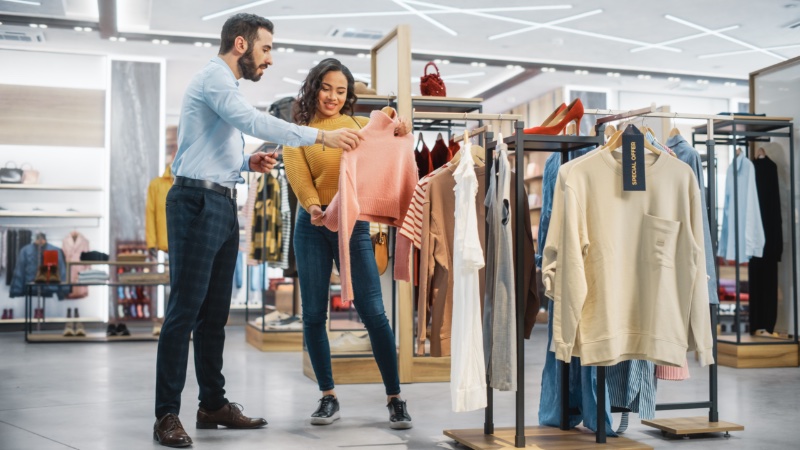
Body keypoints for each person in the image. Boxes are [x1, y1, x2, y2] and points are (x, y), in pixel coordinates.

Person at [153, 14, 364, 448]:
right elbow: (250, 121)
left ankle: (212, 404)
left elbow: (210, 145)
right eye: (266, 48)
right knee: (184, 312)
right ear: (241, 44)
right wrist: (320, 139)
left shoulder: (223, 84)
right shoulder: (215, 77)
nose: (269, 58)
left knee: (214, 315)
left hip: (221, 200)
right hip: (196, 202)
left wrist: (244, 164)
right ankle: (166, 415)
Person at [283, 58, 413, 429]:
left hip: (353, 226)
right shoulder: (300, 131)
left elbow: (390, 140)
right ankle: (328, 395)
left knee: (374, 311)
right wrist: (313, 206)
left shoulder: (357, 126)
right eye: (327, 88)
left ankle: (395, 398)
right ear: (314, 87)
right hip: (312, 226)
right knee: (312, 314)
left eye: (341, 91)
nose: (333, 97)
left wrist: (399, 128)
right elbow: (298, 175)